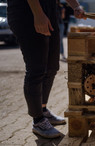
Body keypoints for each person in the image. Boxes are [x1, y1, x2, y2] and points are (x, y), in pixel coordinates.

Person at [7, 0, 86, 138]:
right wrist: (38, 14)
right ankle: (38, 121)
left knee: (52, 66)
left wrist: (75, 6)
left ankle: (43, 111)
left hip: (49, 8)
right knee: (36, 69)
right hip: (27, 11)